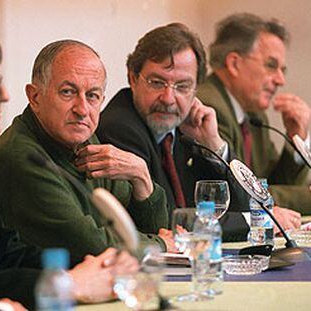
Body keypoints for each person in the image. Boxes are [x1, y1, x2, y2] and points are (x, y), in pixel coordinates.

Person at [0, 17, 139, 310]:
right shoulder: (14, 156)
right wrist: (68, 285)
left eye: (93, 95)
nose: (4, 95)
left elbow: (4, 254)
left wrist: (86, 271)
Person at [0, 40, 177, 267]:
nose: (82, 109)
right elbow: (90, 246)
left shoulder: (81, 138)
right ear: (35, 97)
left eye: (92, 95)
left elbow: (150, 228)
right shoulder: (20, 157)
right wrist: (159, 245)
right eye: (68, 92)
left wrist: (141, 176)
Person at [97, 23, 250, 241]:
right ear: (133, 78)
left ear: (196, 89)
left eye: (182, 86)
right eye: (157, 82)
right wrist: (250, 221)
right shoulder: (119, 128)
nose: (168, 98)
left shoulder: (186, 129)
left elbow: (242, 202)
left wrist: (213, 143)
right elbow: (168, 222)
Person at [197, 13, 307, 225]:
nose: (280, 80)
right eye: (271, 65)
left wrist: (296, 142)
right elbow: (247, 193)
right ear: (234, 63)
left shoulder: (254, 114)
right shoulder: (209, 107)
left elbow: (268, 185)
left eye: (282, 70)